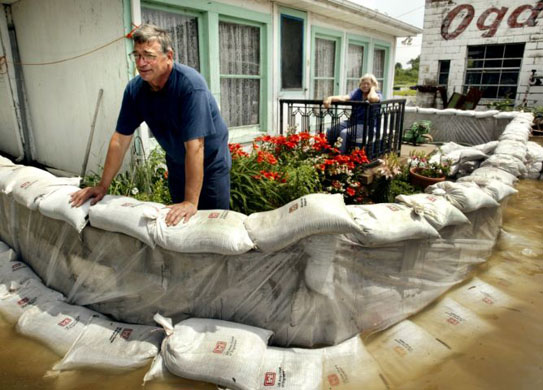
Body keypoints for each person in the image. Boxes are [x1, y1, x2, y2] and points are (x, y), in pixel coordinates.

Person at [71, 24, 231, 226]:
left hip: (209, 163)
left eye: (148, 55)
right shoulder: (135, 90)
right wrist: (103, 186)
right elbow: (120, 140)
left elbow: (196, 146)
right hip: (177, 162)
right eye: (136, 55)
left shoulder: (190, 86)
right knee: (178, 222)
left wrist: (191, 202)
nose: (141, 62)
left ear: (169, 56)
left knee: (212, 225)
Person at [323, 73, 382, 153]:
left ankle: (340, 158)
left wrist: (373, 88)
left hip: (368, 126)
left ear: (373, 85)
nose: (365, 86)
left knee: (344, 133)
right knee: (331, 130)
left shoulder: (377, 94)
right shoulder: (358, 92)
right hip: (353, 122)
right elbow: (344, 98)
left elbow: (371, 98)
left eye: (368, 84)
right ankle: (325, 153)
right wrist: (330, 98)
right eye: (363, 83)